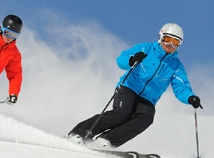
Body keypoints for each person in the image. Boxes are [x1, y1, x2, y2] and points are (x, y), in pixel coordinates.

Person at [67, 23, 202, 148]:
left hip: (148, 98)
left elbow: (181, 87)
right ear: (161, 37)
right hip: (129, 88)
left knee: (146, 118)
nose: (170, 44)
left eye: (175, 42)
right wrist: (131, 60)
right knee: (122, 113)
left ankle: (107, 140)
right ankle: (79, 133)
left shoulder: (176, 66)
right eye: (168, 39)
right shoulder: (145, 49)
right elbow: (121, 59)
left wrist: (190, 97)